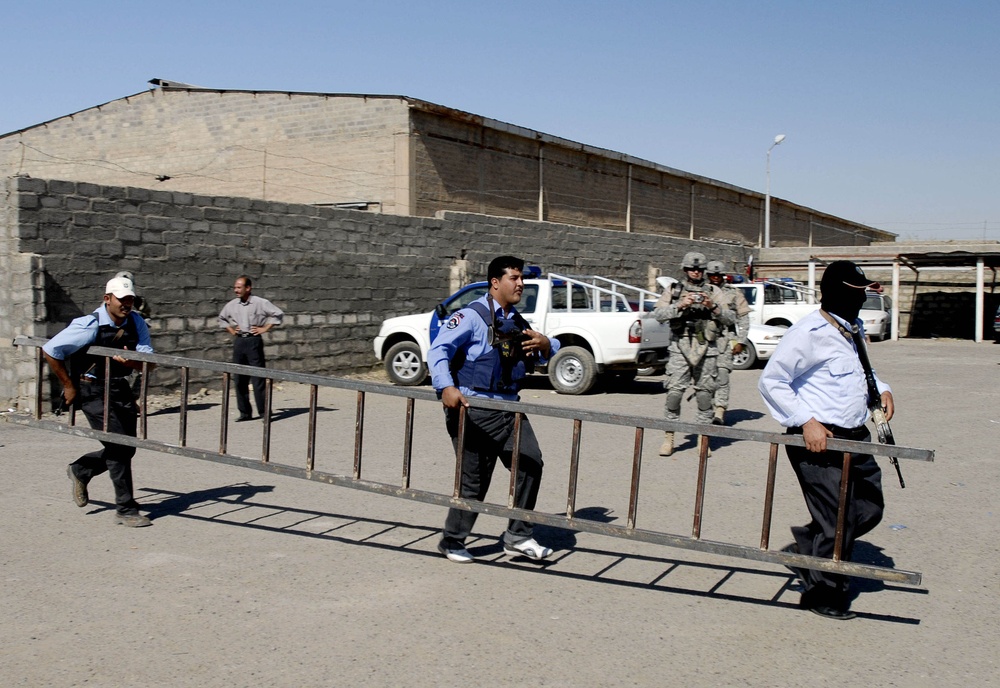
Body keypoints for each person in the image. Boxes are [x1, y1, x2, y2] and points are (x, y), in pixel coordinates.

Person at [758, 260, 891, 620]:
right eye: (856, 292)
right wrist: (806, 422)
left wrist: (884, 391)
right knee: (837, 519)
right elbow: (772, 381)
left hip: (855, 437)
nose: (862, 299)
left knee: (870, 508)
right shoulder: (809, 332)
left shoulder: (851, 328)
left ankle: (806, 548)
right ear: (836, 293)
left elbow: (864, 371)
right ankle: (823, 593)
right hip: (819, 441)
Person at [427, 256, 559, 564]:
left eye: (521, 278)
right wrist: (446, 387)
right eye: (514, 278)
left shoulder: (516, 320)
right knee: (473, 480)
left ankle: (518, 535)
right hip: (473, 407)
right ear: (495, 283)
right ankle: (452, 540)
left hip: (508, 408)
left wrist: (545, 344)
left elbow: (541, 351)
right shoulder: (470, 317)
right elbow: (439, 349)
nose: (521, 283)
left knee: (530, 463)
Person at [42, 276, 156, 527]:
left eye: (130, 300)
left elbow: (150, 363)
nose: (127, 304)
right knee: (118, 447)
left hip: (119, 388)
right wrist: (69, 386)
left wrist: (132, 362)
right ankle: (125, 509)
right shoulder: (89, 324)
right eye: (121, 299)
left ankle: (81, 470)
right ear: (107, 299)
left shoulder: (137, 323)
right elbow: (51, 350)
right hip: (91, 388)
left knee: (128, 447)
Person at [650, 251, 735, 456]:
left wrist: (712, 306)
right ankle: (669, 437)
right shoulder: (674, 289)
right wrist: (680, 304)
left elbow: (730, 318)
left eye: (699, 269)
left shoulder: (714, 291)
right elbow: (658, 315)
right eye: (691, 269)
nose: (695, 272)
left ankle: (702, 439)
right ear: (685, 270)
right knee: (674, 394)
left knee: (705, 395)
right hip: (680, 347)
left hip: (707, 347)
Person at [218, 275, 284, 421]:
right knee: (239, 378)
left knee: (258, 377)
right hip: (240, 342)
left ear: (248, 288)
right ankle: (245, 413)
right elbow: (222, 318)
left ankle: (264, 412)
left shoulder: (260, 302)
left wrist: (264, 328)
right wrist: (233, 331)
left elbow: (278, 313)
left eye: (239, 287)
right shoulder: (232, 305)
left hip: (254, 341)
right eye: (235, 287)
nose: (236, 290)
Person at [706, 260, 750, 425]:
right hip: (704, 342)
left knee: (722, 375)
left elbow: (743, 319)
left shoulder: (734, 293)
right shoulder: (702, 291)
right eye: (712, 274)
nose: (716, 277)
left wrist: (741, 341)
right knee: (706, 378)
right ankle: (707, 409)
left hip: (725, 339)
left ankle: (720, 410)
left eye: (718, 274)